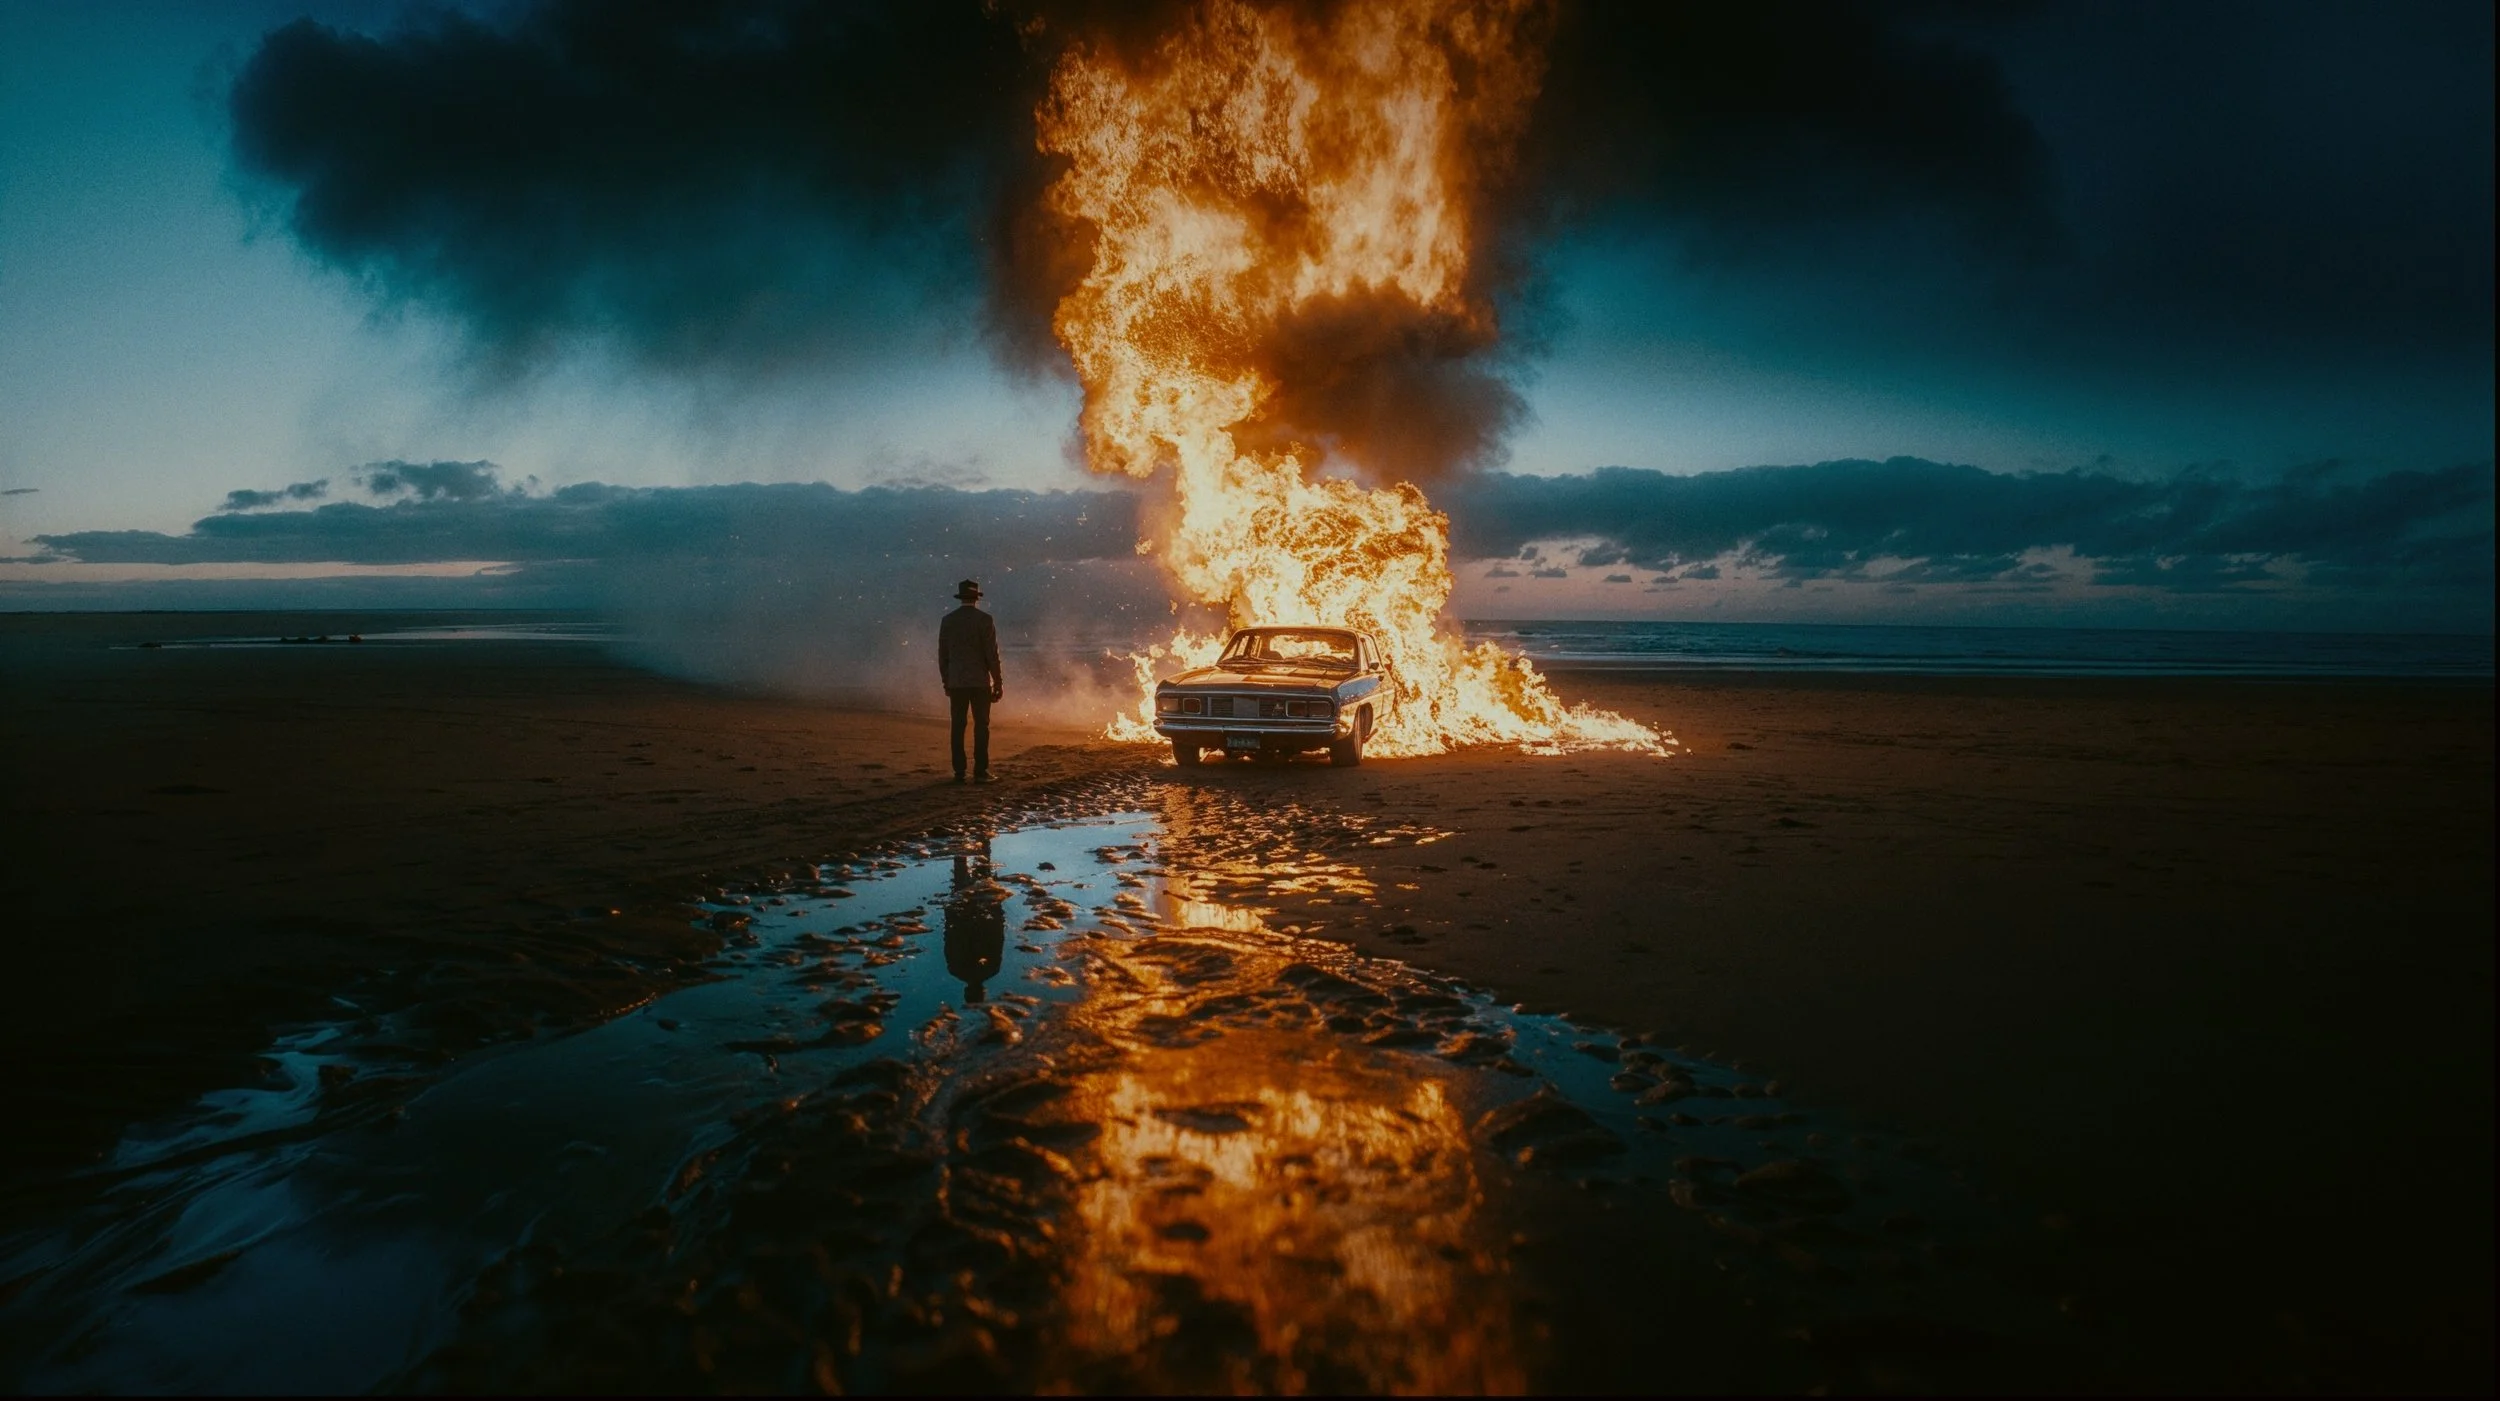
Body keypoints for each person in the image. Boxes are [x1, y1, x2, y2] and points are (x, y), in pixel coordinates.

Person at [938, 578, 1003, 783]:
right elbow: (991, 654)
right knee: (981, 726)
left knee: (957, 726)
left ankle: (959, 771)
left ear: (961, 597)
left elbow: (943, 655)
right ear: (976, 598)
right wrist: (998, 681)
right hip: (979, 682)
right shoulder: (985, 620)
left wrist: (946, 681)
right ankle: (980, 771)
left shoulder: (948, 620)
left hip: (957, 681)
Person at [942, 851, 1006, 1004]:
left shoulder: (991, 970)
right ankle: (961, 847)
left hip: (977, 919)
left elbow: (998, 939)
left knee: (981, 872)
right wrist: (949, 916)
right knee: (966, 875)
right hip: (965, 919)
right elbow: (949, 941)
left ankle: (966, 844)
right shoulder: (956, 971)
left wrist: (999, 914)